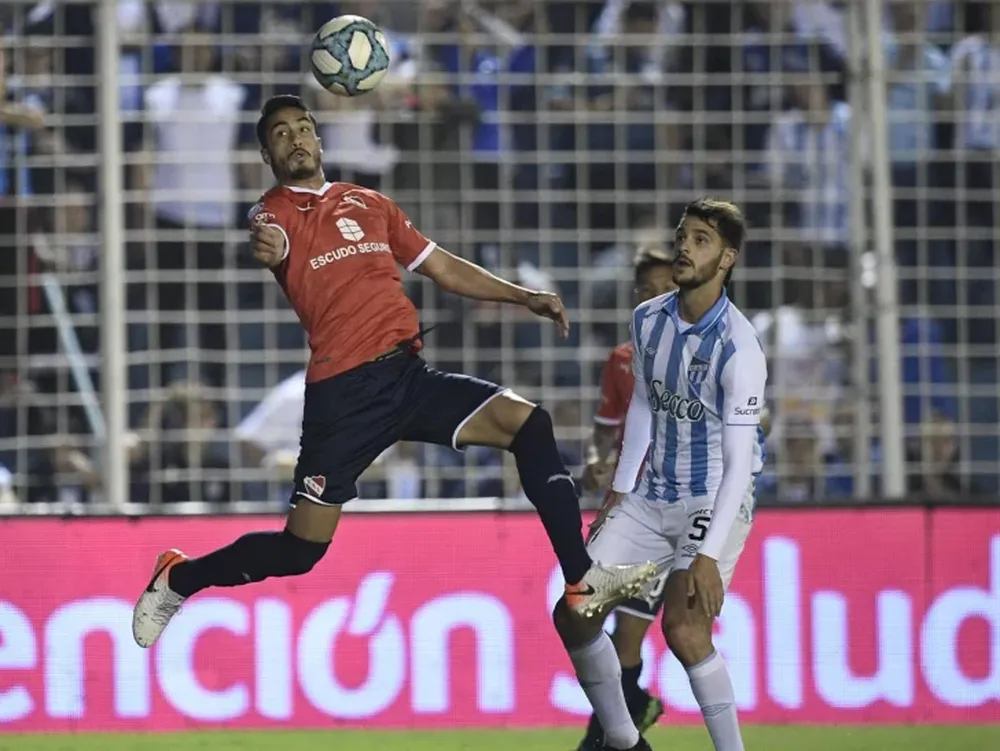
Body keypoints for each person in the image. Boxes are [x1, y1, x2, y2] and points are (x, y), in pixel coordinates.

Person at [131, 94, 655, 652]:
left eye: (304, 127)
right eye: (281, 134)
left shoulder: (371, 204)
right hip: (343, 396)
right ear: (266, 153)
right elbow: (269, 241)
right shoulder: (273, 211)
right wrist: (270, 248)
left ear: (320, 139)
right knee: (301, 551)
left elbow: (444, 267)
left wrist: (523, 295)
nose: (297, 138)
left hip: (407, 377)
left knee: (529, 424)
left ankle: (581, 579)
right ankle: (178, 578)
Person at [552, 198, 766, 751]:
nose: (685, 248)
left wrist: (709, 556)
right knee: (575, 612)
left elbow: (740, 464)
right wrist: (620, 495)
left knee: (684, 630)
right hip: (649, 497)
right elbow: (644, 409)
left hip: (712, 496)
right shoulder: (648, 319)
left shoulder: (740, 348)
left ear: (727, 258)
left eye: (701, 240)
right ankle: (626, 741)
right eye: (683, 236)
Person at [576, 245, 677, 750]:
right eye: (648, 291)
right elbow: (604, 429)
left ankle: (605, 739)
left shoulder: (701, 354)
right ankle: (632, 712)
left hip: (670, 517)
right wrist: (596, 459)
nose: (656, 299)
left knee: (634, 633)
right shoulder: (621, 361)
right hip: (625, 511)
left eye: (667, 289)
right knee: (589, 621)